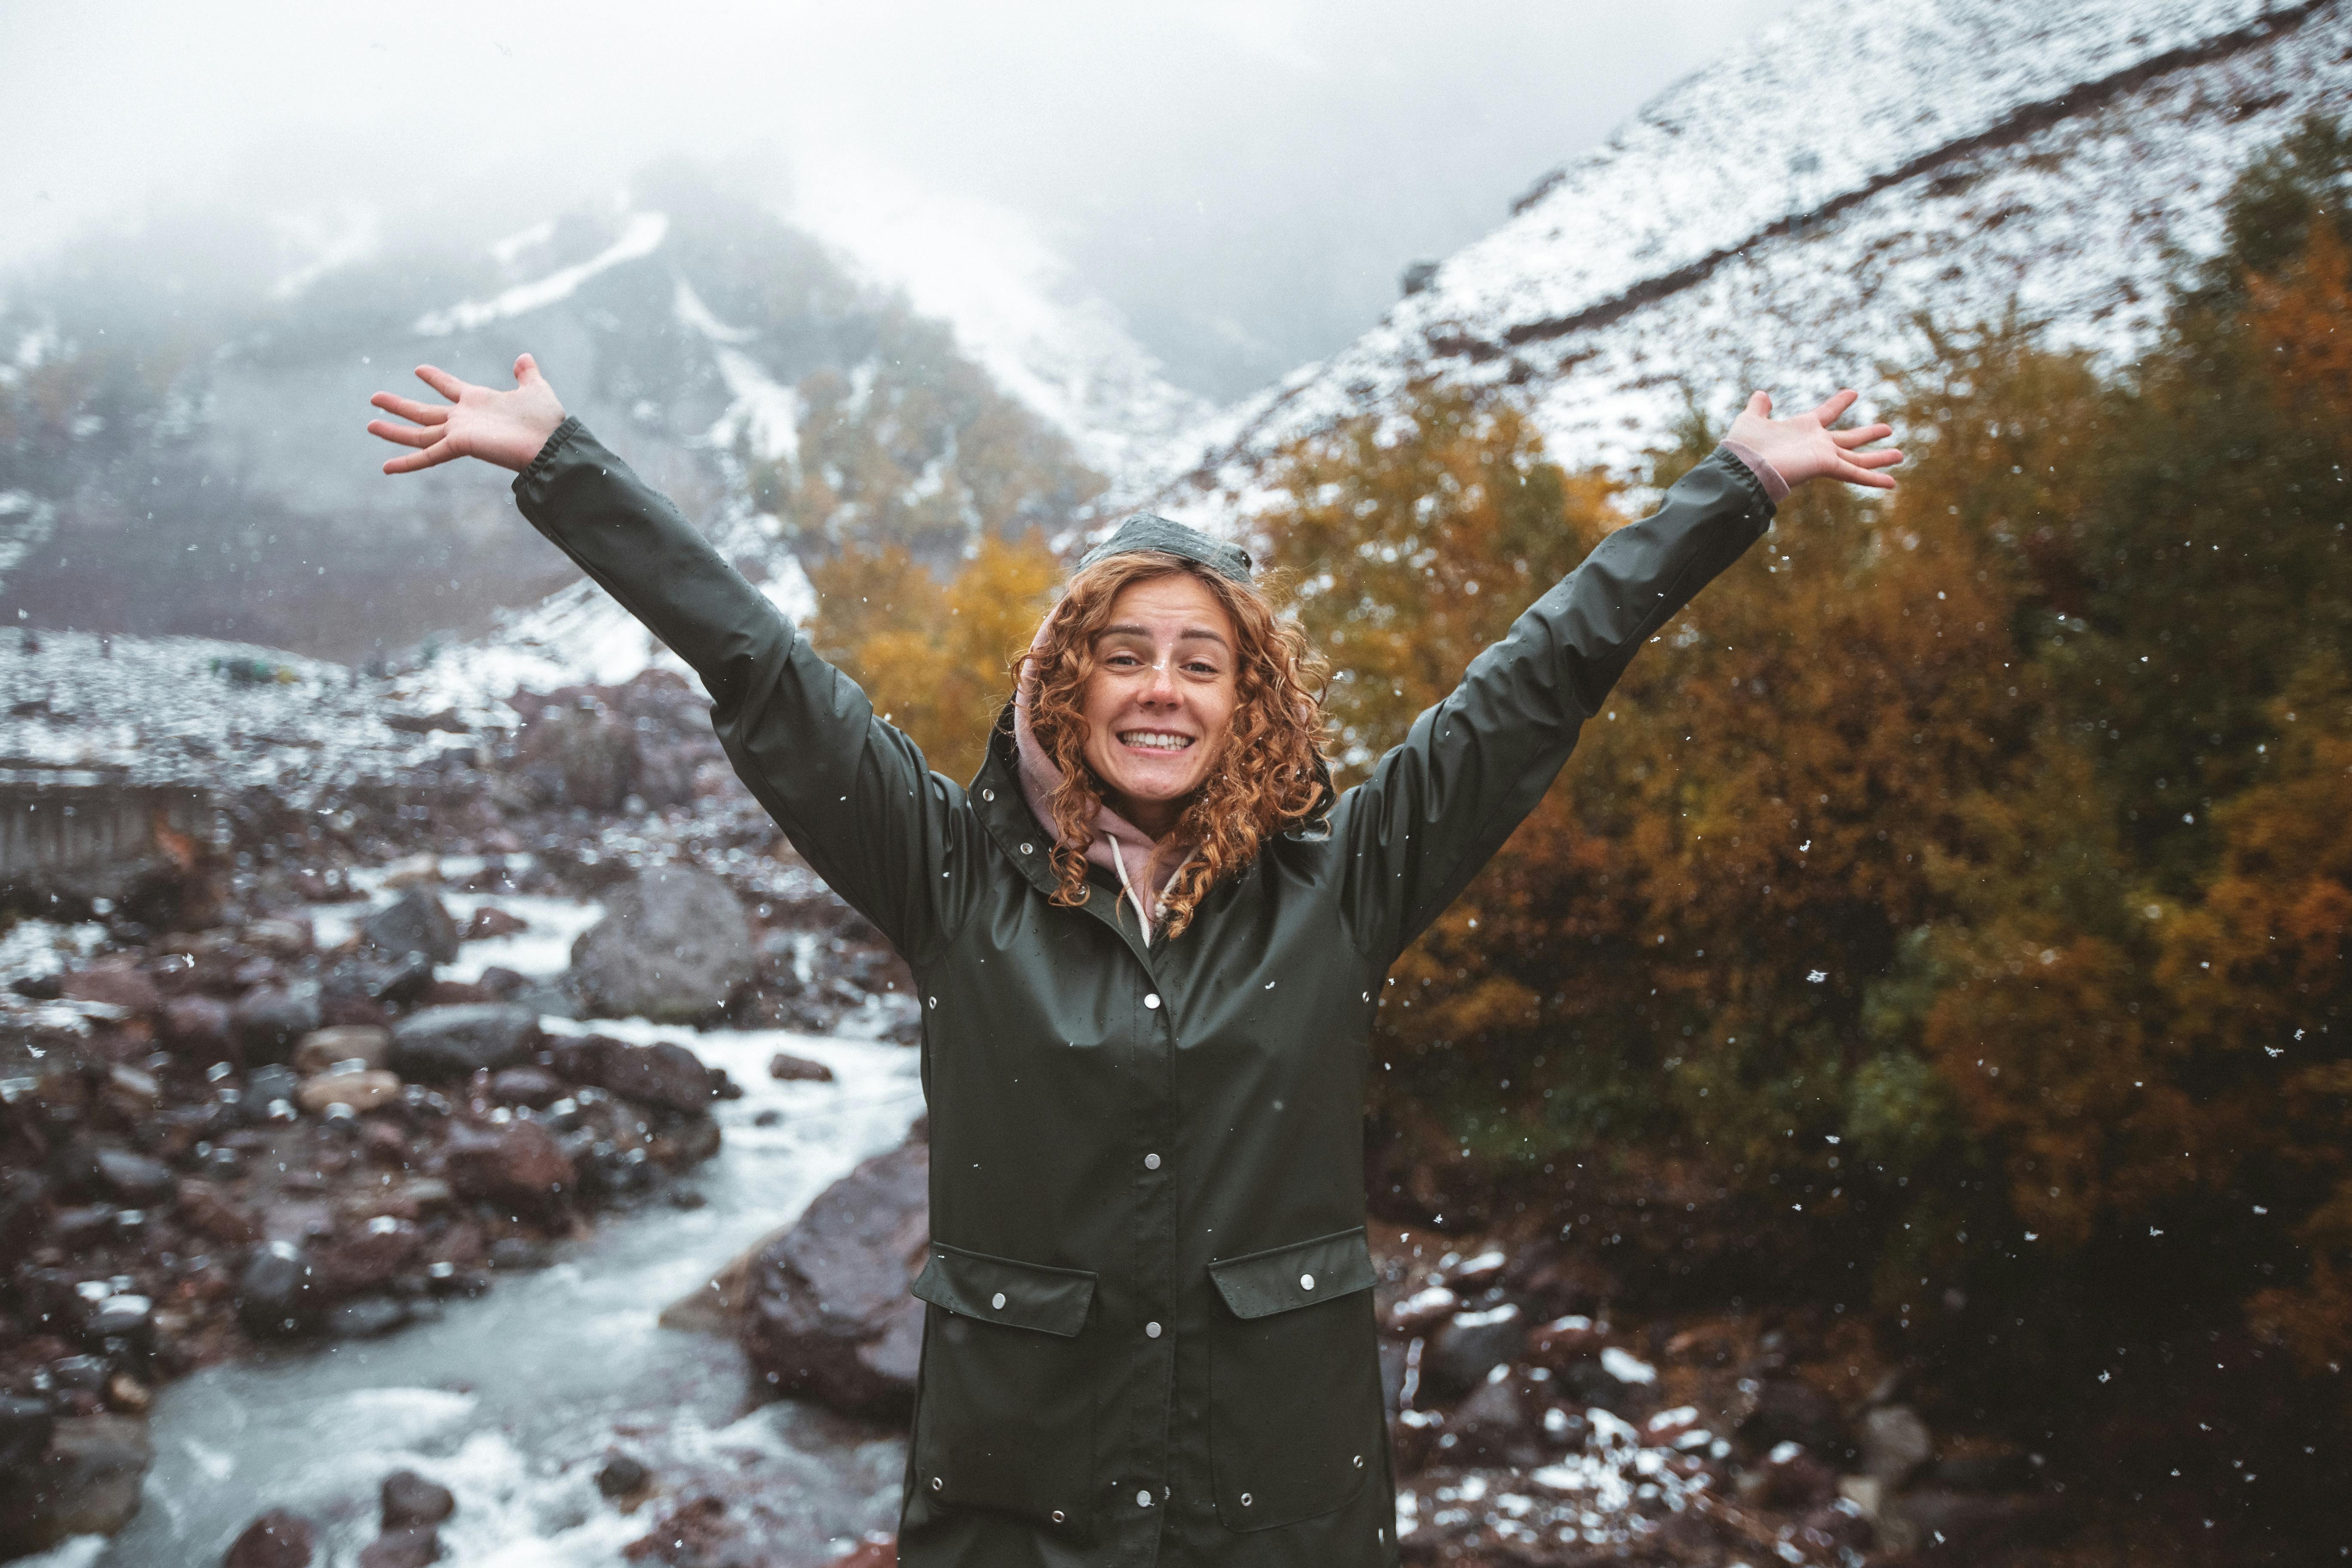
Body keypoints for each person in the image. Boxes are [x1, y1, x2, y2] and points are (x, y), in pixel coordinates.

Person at [367, 354, 1899, 1566]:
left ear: (1250, 702)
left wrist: (1737, 485)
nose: (1161, 691)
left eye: (1201, 661)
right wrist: (569, 471)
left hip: (1280, 1515)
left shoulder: (1343, 887)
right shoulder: (951, 880)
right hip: (1023, 1513)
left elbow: (1542, 676)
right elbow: (764, 668)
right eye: (1126, 653)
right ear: (1067, 680)